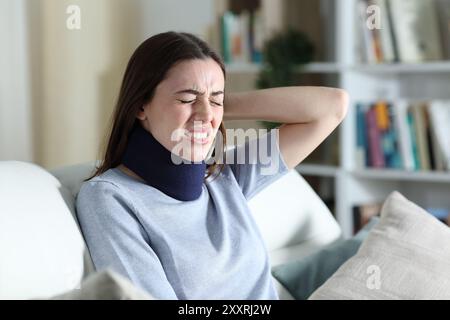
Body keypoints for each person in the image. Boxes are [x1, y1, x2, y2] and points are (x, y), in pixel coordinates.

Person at [76, 31, 348, 300]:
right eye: (185, 99)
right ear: (140, 105)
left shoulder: (223, 176)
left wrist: (210, 103)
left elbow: (333, 106)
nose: (207, 115)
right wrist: (207, 100)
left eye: (217, 99)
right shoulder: (109, 198)